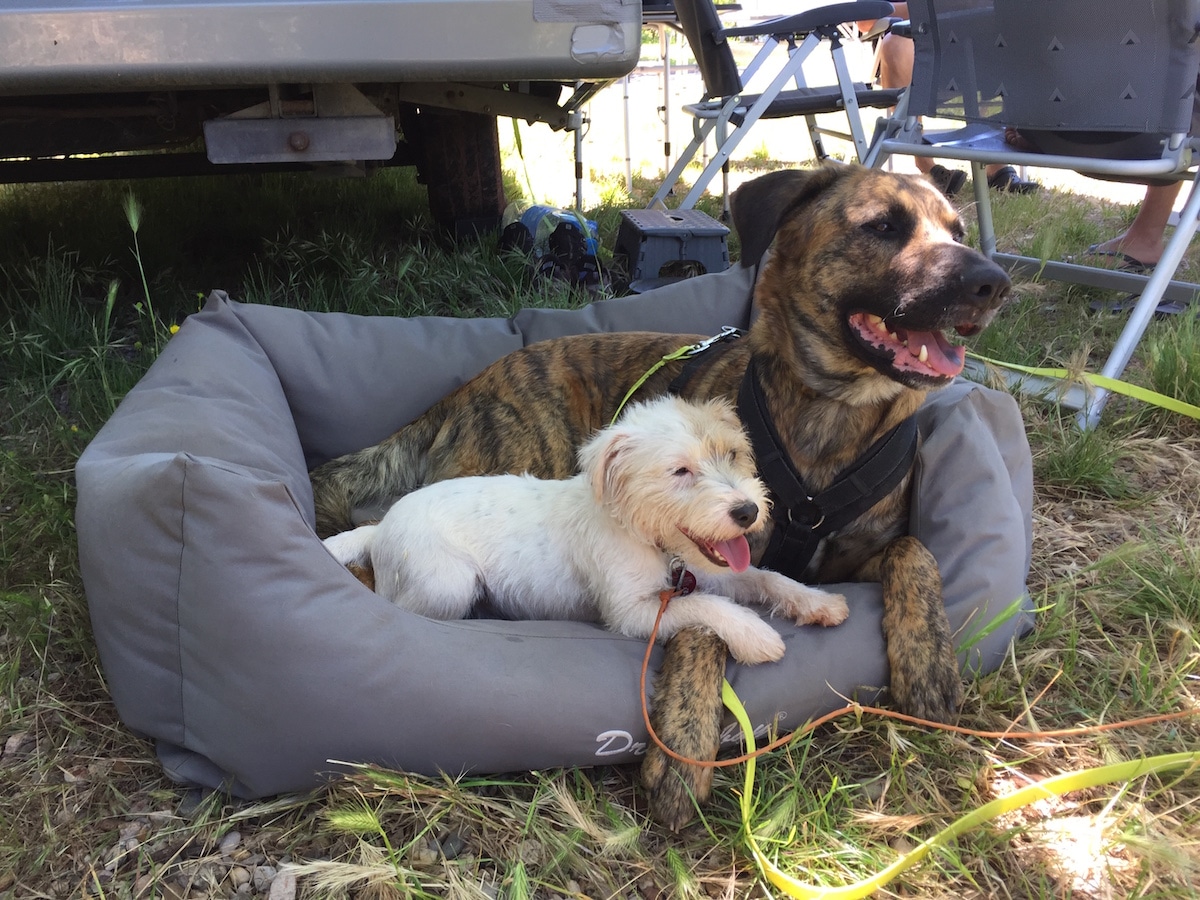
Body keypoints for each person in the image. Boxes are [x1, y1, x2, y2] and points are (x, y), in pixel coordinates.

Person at [858, 3, 1040, 196]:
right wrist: (930, 6)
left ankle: (996, 163)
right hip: (916, 50)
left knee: (1007, 34)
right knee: (895, 42)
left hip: (972, 43)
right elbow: (864, 19)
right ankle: (927, 165)